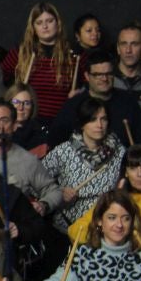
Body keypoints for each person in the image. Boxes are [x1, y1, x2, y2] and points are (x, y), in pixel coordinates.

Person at [42, 97, 124, 231]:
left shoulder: (119, 152)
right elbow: (38, 183)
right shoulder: (64, 151)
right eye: (93, 120)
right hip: (69, 226)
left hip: (109, 227)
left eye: (103, 119)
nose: (99, 125)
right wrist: (58, 192)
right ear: (82, 123)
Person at [1, 1, 77, 120]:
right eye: (39, 22)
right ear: (33, 27)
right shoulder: (20, 53)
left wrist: (79, 94)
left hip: (60, 122)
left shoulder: (73, 56)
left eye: (50, 21)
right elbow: (0, 79)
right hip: (27, 122)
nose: (45, 26)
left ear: (58, 23)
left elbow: (89, 86)